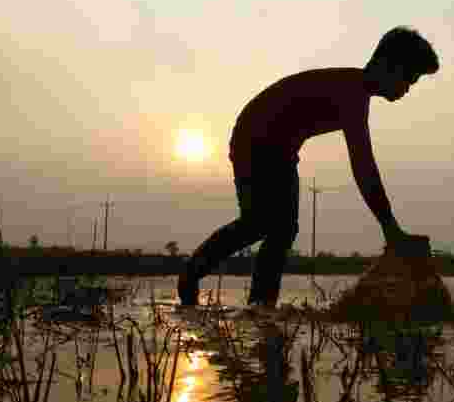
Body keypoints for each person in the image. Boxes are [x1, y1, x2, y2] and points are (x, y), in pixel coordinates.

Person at [178, 26, 439, 308]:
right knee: (261, 223)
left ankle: (260, 305)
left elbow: (363, 166)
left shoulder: (355, 92)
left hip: (282, 149)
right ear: (390, 66)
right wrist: (390, 228)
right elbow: (364, 167)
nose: (407, 90)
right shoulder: (351, 93)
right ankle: (196, 276)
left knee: (281, 228)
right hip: (255, 138)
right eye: (409, 80)